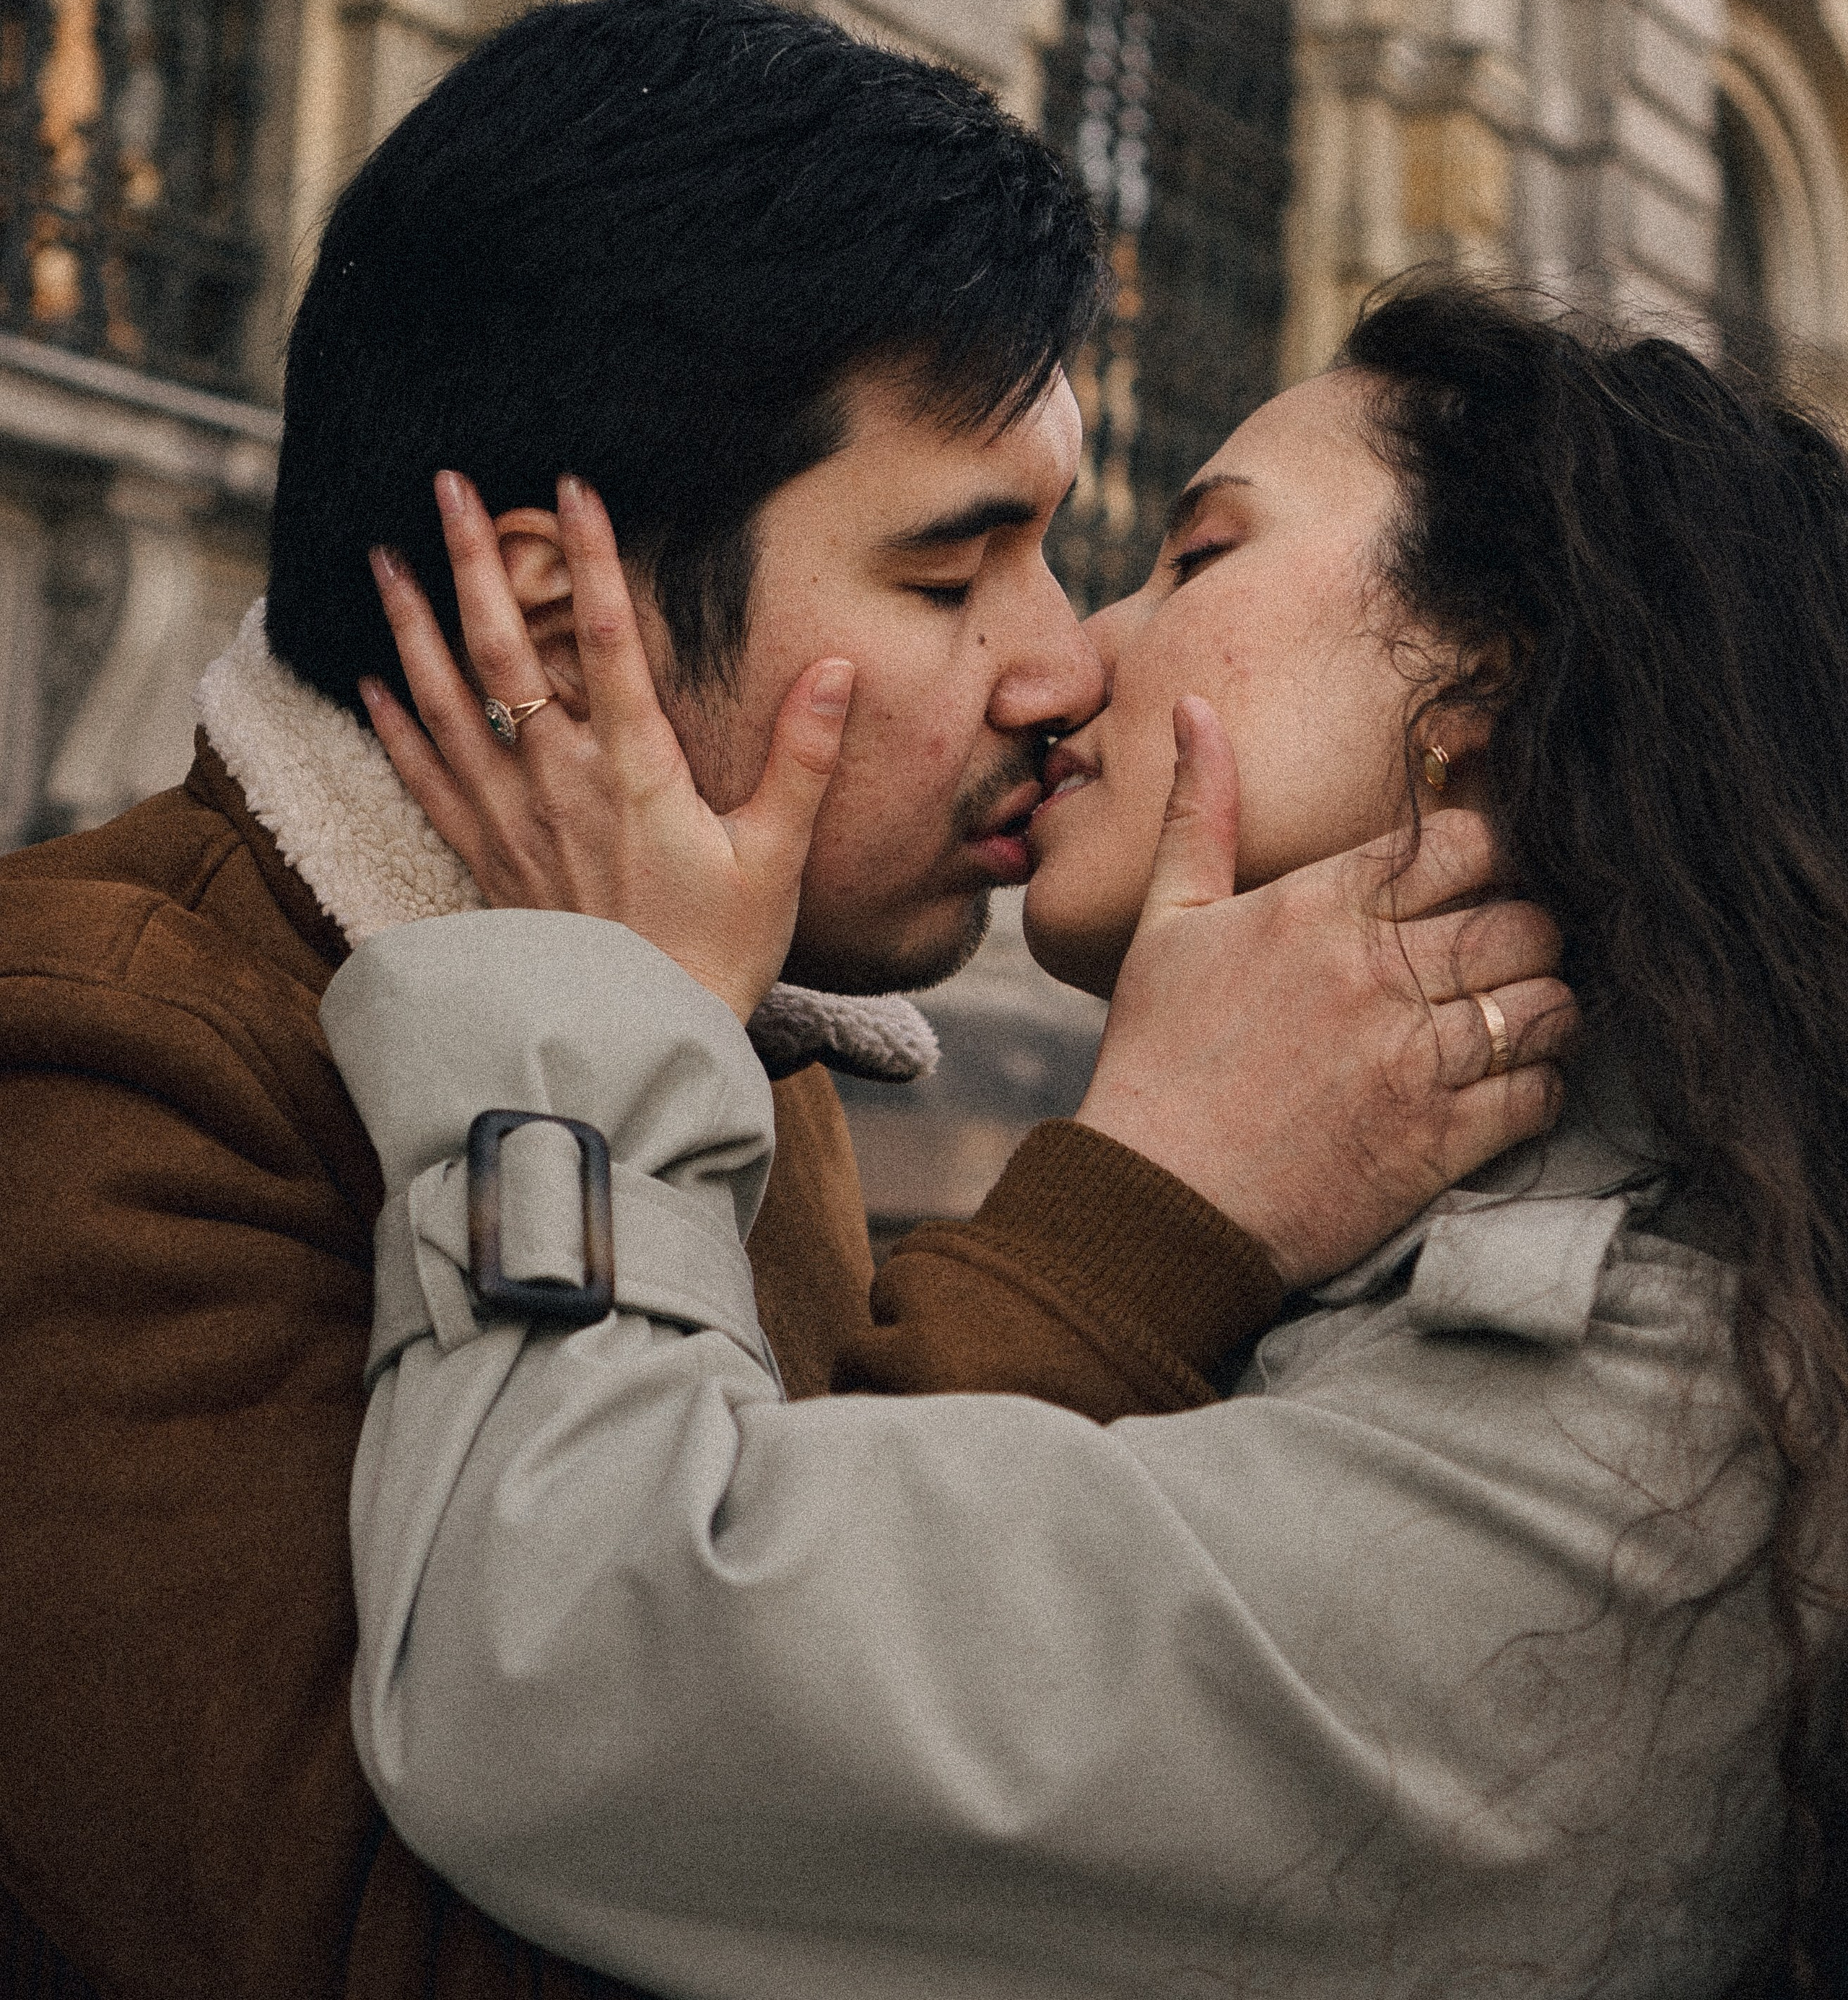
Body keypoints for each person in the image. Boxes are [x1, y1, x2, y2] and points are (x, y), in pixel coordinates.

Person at [0, 0, 1562, 2000]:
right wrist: (1141, 1223)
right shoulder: (99, 1066)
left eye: (1063, 555)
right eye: (951, 575)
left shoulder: (720, 1017)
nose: (1062, 669)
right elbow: (455, 1950)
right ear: (561, 633)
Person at [328, 279, 1847, 1999]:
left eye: (1193, 559)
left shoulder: (1651, 1439)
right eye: (947, 577)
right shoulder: (1614, 1290)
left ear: (1479, 680)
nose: (1069, 662)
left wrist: (606, 992)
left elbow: (559, 1672)